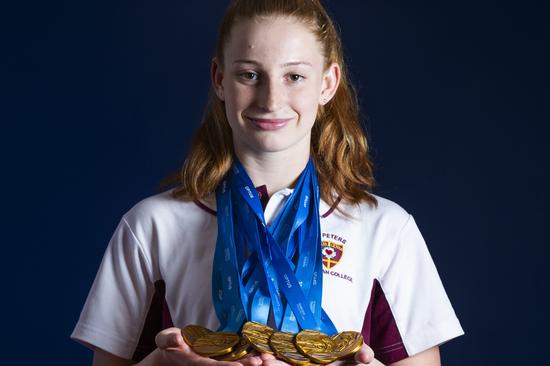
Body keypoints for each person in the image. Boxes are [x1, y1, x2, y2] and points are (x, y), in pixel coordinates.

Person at [71, 1, 464, 365]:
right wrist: (160, 363)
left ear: (327, 84)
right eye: (249, 74)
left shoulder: (387, 230)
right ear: (219, 79)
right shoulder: (150, 226)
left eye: (294, 75)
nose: (271, 99)